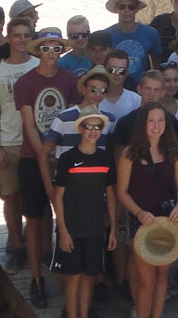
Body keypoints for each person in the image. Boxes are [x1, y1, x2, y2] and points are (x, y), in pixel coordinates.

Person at [16, 28, 81, 306]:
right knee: (33, 220)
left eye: (56, 48)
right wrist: (45, 152)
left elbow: (74, 119)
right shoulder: (25, 83)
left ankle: (66, 278)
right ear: (38, 50)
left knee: (68, 218)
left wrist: (59, 153)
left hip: (65, 158)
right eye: (46, 48)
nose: (51, 53)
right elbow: (29, 123)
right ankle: (36, 278)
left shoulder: (72, 80)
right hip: (32, 158)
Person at [119, 102, 178, 318]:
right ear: (143, 124)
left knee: (162, 277)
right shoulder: (129, 153)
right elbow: (122, 191)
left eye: (160, 121)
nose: (156, 126)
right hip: (141, 220)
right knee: (146, 281)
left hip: (166, 220)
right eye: (151, 121)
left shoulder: (174, 151)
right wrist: (138, 212)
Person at [51, 111, 119, 318]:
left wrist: (113, 229)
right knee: (73, 276)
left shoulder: (106, 158)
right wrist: (63, 231)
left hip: (95, 229)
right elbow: (58, 197)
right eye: (89, 126)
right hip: (71, 229)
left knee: (90, 276)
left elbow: (111, 194)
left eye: (97, 127)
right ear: (80, 129)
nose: (93, 131)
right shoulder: (67, 159)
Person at [0, 18, 39, 271]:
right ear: (8, 38)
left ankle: (39, 246)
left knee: (37, 197)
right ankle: (17, 247)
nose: (22, 40)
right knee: (11, 197)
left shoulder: (39, 65)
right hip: (9, 140)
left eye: (26, 35)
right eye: (17, 35)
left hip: (35, 141)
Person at [105, 0, 164, 87]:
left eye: (131, 7)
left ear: (136, 9)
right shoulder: (107, 35)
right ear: (116, 9)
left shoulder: (151, 34)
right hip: (114, 87)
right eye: (122, 7)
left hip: (142, 88)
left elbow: (156, 65)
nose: (126, 10)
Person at [100, 48, 143, 126]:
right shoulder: (95, 98)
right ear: (105, 70)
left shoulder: (136, 101)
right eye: (112, 70)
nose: (117, 74)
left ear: (127, 72)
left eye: (121, 71)